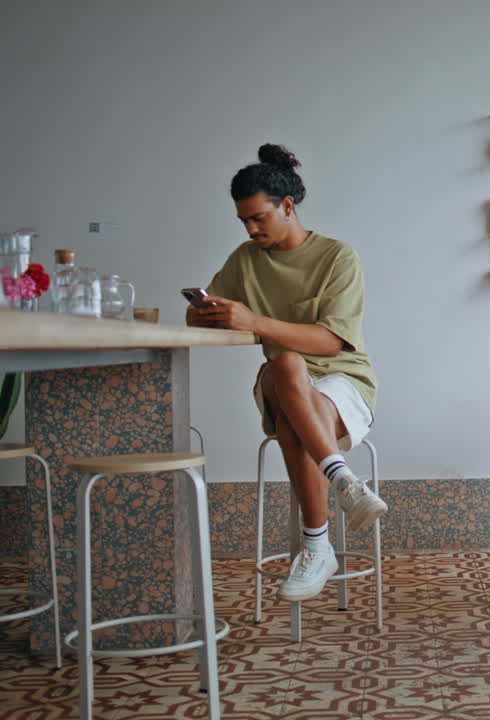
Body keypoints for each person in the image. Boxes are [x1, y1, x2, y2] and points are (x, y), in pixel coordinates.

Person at [187, 143, 386, 602]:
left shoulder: (338, 257)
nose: (251, 228)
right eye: (244, 221)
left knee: (292, 405)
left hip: (342, 382)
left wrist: (255, 322)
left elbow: (333, 342)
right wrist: (205, 314)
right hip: (282, 383)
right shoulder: (244, 260)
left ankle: (317, 546)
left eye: (259, 218)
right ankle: (344, 481)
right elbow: (218, 311)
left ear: (288, 206)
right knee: (286, 366)